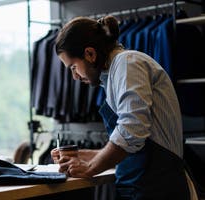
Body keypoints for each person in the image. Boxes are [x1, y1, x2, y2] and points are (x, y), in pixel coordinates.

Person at [50, 15, 191, 200]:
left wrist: (92, 167)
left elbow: (131, 130)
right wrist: (86, 155)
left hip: (158, 188)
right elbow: (134, 149)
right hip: (140, 187)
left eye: (73, 67)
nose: (75, 76)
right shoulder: (113, 75)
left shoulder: (127, 63)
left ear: (90, 54)